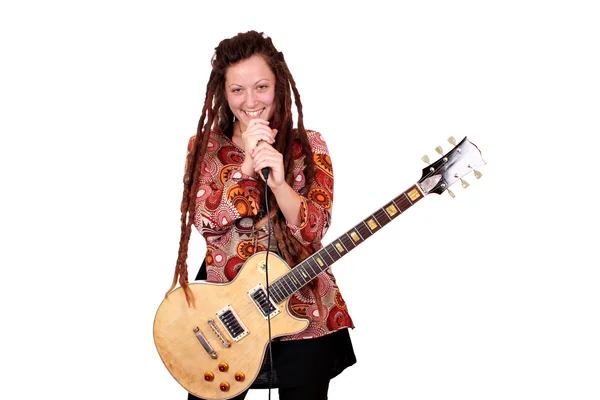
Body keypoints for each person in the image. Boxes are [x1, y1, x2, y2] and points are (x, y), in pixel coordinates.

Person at [165, 30, 356, 400]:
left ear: (278, 85)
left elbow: (313, 231)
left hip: (302, 307)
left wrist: (281, 185)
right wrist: (245, 169)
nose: (250, 101)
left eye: (261, 87)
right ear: (224, 93)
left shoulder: (309, 145)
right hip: (223, 309)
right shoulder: (204, 147)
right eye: (237, 90)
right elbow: (204, 220)